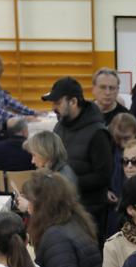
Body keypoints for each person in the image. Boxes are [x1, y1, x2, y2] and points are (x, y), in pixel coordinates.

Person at [48, 76, 116, 236]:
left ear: (73, 102)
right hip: (65, 205)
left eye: (57, 103)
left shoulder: (97, 132)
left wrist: (68, 182)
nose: (53, 108)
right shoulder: (60, 126)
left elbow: (104, 175)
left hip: (89, 211)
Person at [107, 112, 136, 232]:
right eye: (118, 138)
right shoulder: (111, 149)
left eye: (126, 138)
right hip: (114, 207)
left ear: (135, 133)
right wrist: (106, 191)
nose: (122, 143)